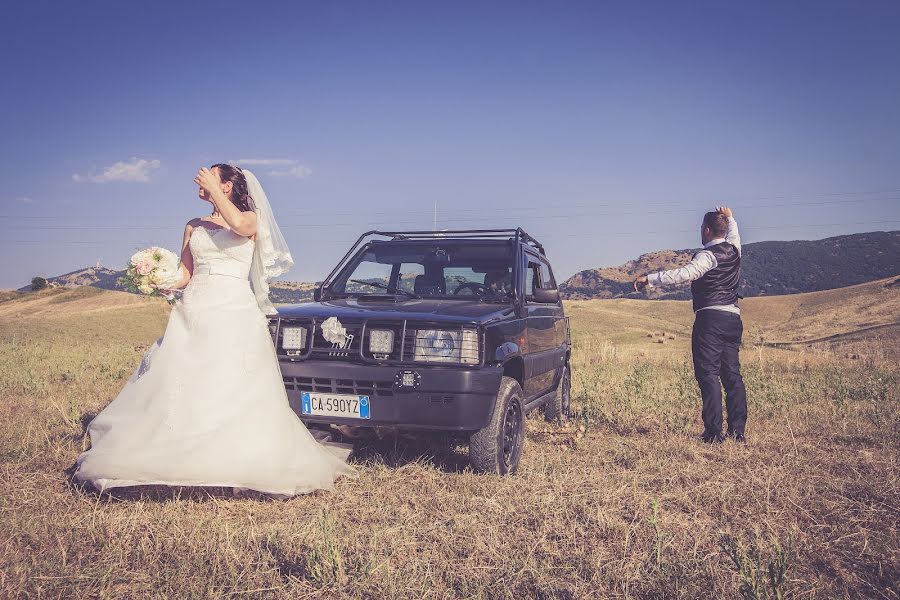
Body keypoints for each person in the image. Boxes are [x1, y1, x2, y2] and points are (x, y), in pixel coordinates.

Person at [74, 165, 356, 496]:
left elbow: (236, 224)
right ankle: (176, 448)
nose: (201, 177)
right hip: (194, 308)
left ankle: (234, 455)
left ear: (226, 185)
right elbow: (184, 274)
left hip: (233, 308)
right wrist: (157, 278)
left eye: (212, 175)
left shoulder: (251, 219)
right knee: (184, 376)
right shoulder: (193, 226)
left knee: (230, 378)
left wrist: (217, 194)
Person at [634, 206, 747, 443]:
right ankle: (738, 432)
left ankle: (714, 433)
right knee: (732, 376)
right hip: (733, 318)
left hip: (711, 320)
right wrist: (731, 218)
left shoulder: (707, 255)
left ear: (706, 230)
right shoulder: (734, 250)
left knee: (708, 374)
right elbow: (735, 235)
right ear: (724, 229)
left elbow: (685, 274)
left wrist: (650, 279)